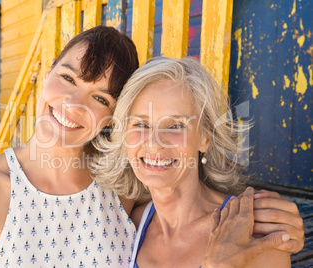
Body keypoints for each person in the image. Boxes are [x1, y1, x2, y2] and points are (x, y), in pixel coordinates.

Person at [0, 27, 303, 268]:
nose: (73, 104)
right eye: (67, 77)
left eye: (99, 97)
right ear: (47, 72)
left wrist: (281, 224)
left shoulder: (122, 192)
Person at [91, 56, 302, 267]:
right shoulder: (129, 226)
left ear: (205, 137)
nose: (154, 144)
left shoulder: (252, 234)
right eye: (141, 124)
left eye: (175, 126)